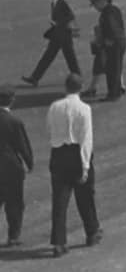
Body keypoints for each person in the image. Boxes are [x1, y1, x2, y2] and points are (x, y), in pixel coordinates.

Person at [47, 74, 101, 257]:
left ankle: (59, 243)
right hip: (76, 154)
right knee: (85, 196)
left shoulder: (55, 107)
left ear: (65, 87)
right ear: (80, 87)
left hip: (58, 154)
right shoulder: (84, 109)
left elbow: (50, 128)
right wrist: (85, 165)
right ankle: (92, 232)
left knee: (59, 201)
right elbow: (86, 139)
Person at [23, 0, 81, 87]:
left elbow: (71, 16)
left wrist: (58, 23)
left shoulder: (61, 2)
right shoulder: (54, 3)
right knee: (47, 57)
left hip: (64, 36)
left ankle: (78, 78)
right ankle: (35, 78)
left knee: (70, 59)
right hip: (57, 36)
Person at [0, 86, 34, 247]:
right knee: (14, 203)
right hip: (10, 167)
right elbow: (23, 145)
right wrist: (29, 163)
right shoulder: (14, 121)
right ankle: (13, 236)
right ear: (11, 100)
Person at [81, 0, 126, 102]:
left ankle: (113, 94)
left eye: (96, 4)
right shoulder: (112, 10)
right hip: (119, 41)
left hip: (114, 43)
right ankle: (117, 90)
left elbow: (112, 26)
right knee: (115, 67)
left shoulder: (108, 12)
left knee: (112, 69)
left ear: (104, 1)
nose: (95, 7)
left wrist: (109, 39)